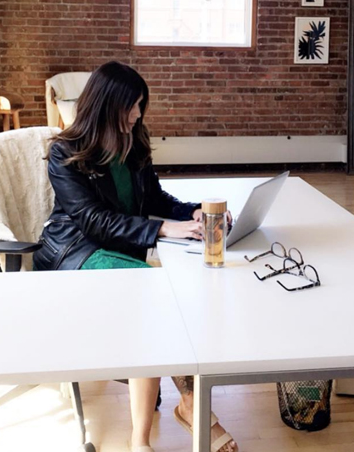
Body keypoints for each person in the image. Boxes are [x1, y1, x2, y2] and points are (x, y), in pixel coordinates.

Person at [34, 61, 237, 452]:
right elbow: (92, 221)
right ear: (106, 104)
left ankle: (148, 435)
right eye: (131, 105)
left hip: (119, 252)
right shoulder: (65, 153)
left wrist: (193, 211)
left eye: (141, 105)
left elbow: (156, 198)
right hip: (74, 253)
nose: (137, 114)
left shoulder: (133, 141)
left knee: (156, 304)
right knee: (155, 298)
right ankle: (185, 410)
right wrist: (163, 229)